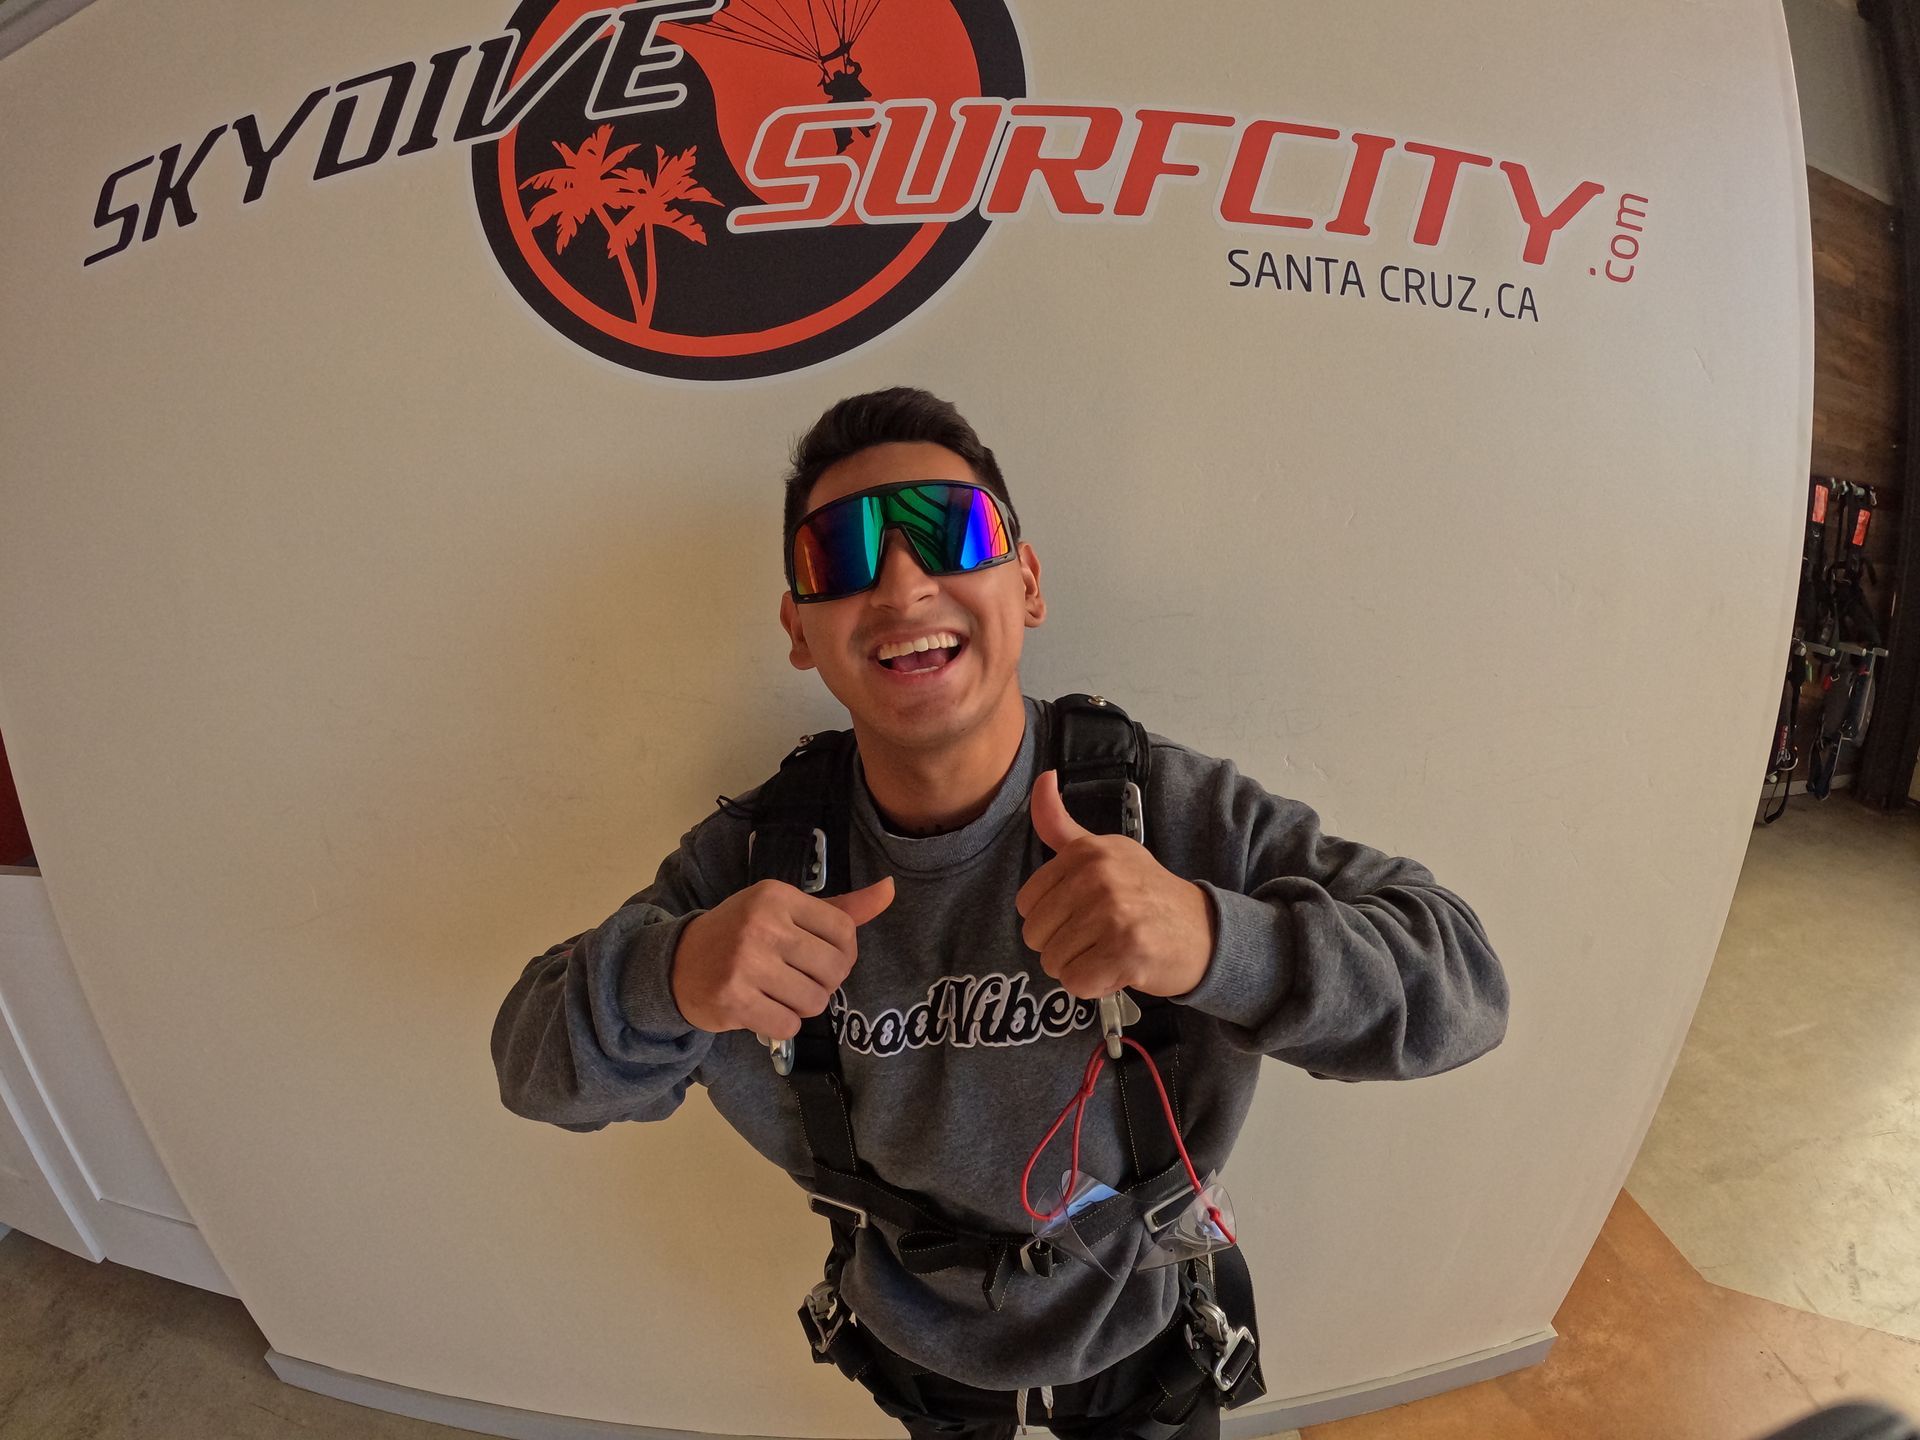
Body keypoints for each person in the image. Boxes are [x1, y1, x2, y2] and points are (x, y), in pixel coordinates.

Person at [491, 387, 1511, 1439]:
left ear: (1026, 584)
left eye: (951, 531)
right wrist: (675, 975)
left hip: (1148, 1343)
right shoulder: (759, 866)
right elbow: (530, 1070)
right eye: (838, 558)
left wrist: (1213, 941)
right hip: (915, 1358)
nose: (898, 585)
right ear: (798, 631)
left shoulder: (1167, 814)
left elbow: (1465, 989)